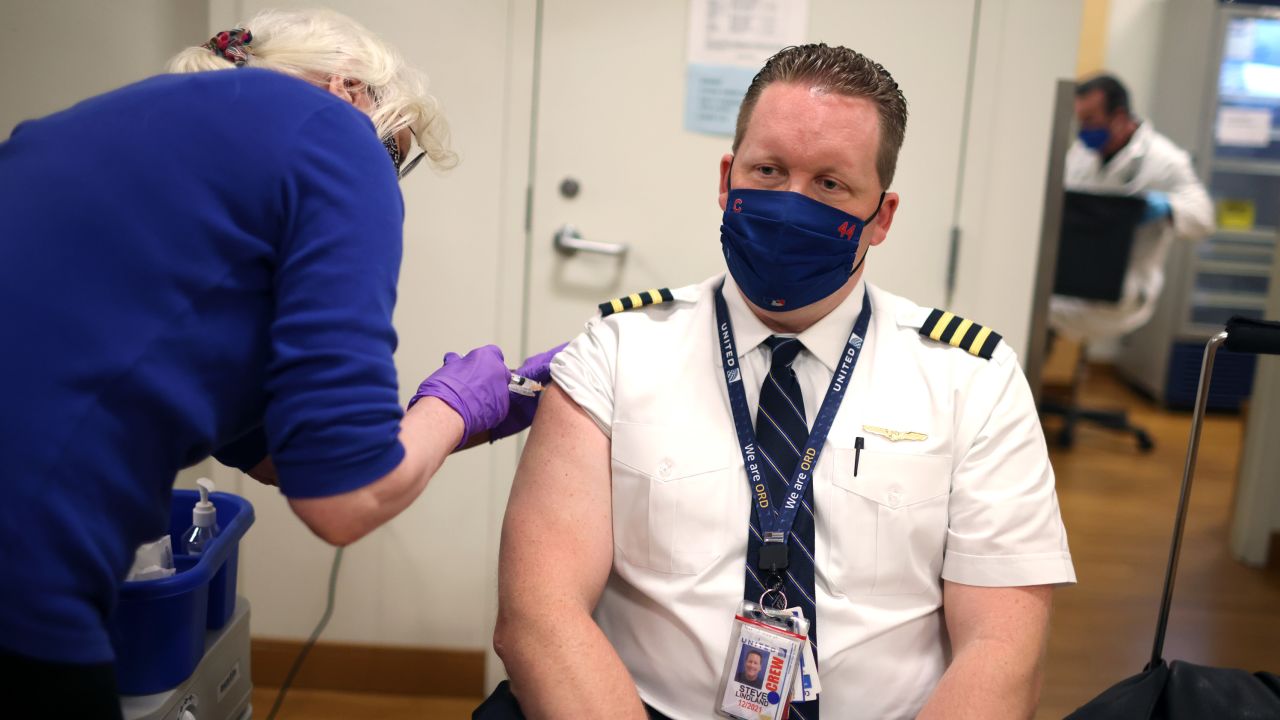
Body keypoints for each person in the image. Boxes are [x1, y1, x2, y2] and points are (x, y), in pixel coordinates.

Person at [0, 8, 559, 716]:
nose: (383, 178)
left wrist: (474, 417)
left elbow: (279, 457)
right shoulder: (332, 128)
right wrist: (454, 403)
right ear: (352, 90)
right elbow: (343, 501)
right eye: (394, 153)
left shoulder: (102, 134)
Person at [493, 44, 1075, 719]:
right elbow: (539, 617)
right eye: (768, 170)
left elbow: (1003, 652)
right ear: (726, 178)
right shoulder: (618, 351)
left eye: (830, 183)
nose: (790, 204)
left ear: (880, 217)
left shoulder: (972, 379)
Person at [1052, 73, 1214, 339]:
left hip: (1125, 290)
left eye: (1091, 120)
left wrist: (1166, 207)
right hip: (1075, 277)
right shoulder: (1082, 152)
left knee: (1032, 314)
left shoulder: (1165, 159)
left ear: (1119, 116)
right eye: (1080, 121)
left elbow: (1204, 217)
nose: (1084, 130)